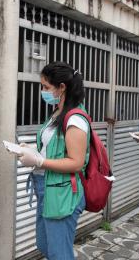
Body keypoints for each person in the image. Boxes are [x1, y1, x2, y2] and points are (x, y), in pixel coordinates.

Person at [17, 62, 89, 260]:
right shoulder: (57, 113)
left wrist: (39, 162)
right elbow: (52, 151)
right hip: (47, 188)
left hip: (63, 192)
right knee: (44, 243)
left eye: (46, 87)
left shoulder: (75, 119)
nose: (43, 91)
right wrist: (31, 152)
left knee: (59, 254)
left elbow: (76, 162)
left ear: (62, 87)